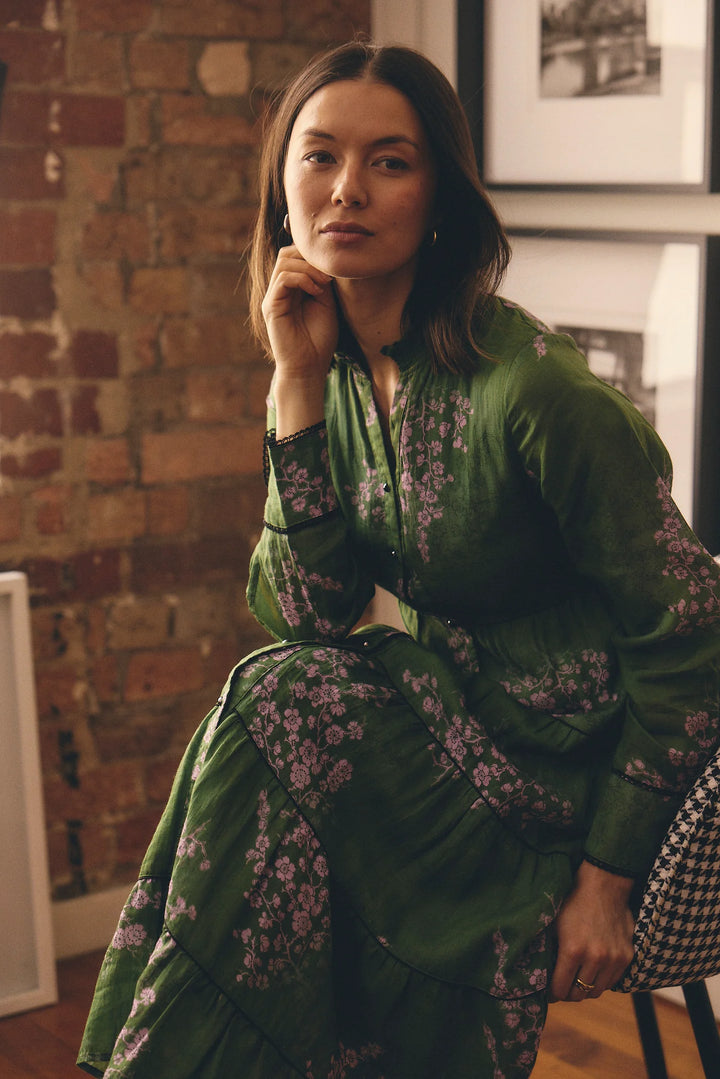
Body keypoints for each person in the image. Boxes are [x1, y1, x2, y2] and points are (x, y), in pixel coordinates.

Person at [78, 40, 720, 1079]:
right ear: (281, 188)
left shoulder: (538, 394)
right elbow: (310, 611)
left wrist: (605, 876)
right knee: (283, 687)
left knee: (281, 702)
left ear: (439, 196)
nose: (346, 189)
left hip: (569, 781)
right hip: (440, 731)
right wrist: (293, 389)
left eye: (390, 161)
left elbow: (692, 634)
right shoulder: (318, 364)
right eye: (319, 156)